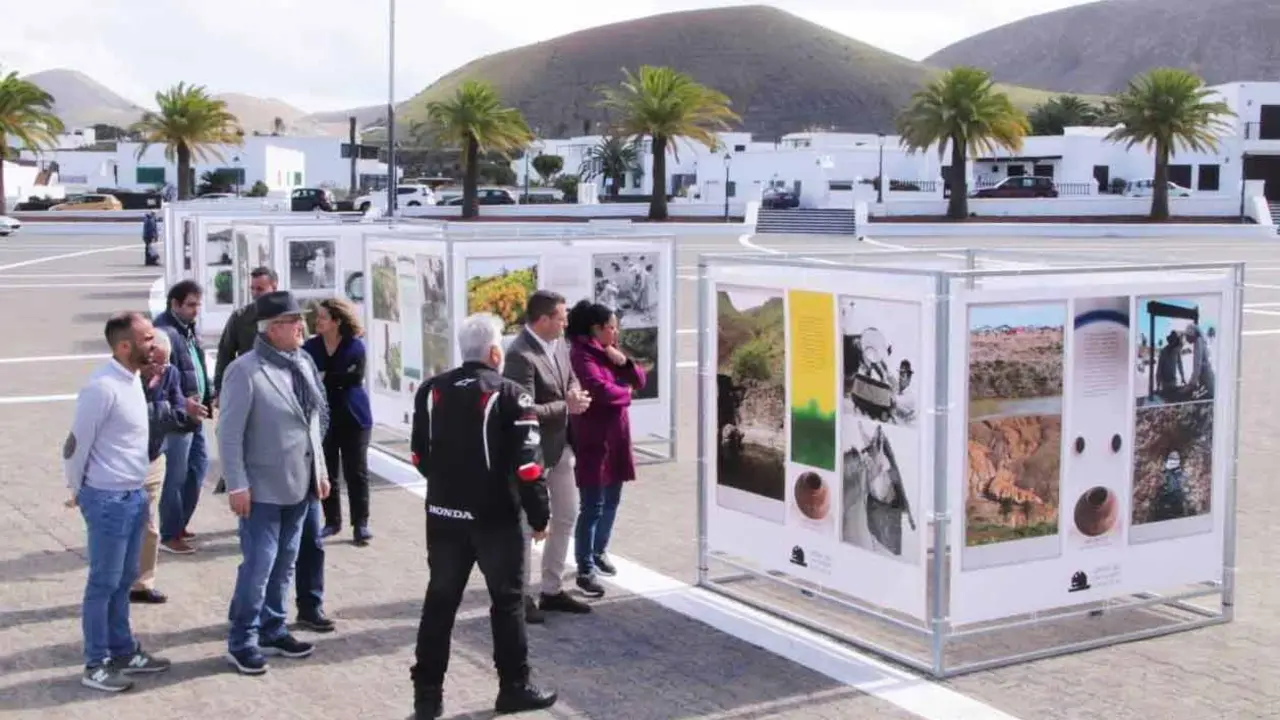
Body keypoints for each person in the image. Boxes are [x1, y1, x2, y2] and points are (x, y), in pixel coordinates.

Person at [409, 313, 558, 719]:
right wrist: (540, 514)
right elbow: (530, 467)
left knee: (439, 604)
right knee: (507, 604)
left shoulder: (430, 389)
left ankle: (426, 699)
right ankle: (513, 687)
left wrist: (451, 487)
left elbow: (419, 457)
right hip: (495, 520)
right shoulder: (512, 395)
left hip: (442, 516)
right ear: (495, 353)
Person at [218, 291, 332, 676]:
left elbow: (314, 419)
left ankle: (273, 627)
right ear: (272, 329)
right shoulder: (245, 371)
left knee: (285, 563)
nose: (302, 326)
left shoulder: (302, 362)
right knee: (259, 565)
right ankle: (242, 640)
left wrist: (321, 472)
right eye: (293, 321)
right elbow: (229, 434)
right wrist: (236, 485)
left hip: (300, 483)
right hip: (261, 488)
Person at [63, 312, 171, 692]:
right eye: (146, 339)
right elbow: (76, 444)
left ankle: (123, 650)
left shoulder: (132, 380)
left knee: (124, 580)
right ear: (124, 346)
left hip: (133, 495)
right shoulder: (102, 387)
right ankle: (96, 663)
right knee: (103, 583)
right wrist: (76, 490)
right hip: (107, 499)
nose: (154, 345)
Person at [502, 290, 592, 622]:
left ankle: (552, 590)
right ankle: (521, 596)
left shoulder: (560, 346)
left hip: (561, 448)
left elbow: (571, 379)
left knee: (567, 514)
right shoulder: (520, 355)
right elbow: (521, 409)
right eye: (561, 318)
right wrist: (565, 406)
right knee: (527, 526)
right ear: (543, 320)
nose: (566, 323)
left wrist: (577, 394)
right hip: (531, 453)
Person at [564, 300, 646, 596]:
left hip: (617, 439)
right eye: (611, 327)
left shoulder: (607, 352)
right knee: (592, 506)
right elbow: (599, 391)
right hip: (594, 440)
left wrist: (623, 362)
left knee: (611, 500)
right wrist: (625, 392)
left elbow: (639, 379)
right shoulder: (580, 355)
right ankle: (584, 567)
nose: (615, 332)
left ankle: (599, 551)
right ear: (595, 329)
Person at [303, 298, 374, 545]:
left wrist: (325, 377)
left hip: (355, 417)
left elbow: (353, 377)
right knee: (327, 470)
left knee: (357, 471)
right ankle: (332, 521)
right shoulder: (310, 347)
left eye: (322, 316)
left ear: (337, 320)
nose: (317, 320)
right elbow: (308, 378)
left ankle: (361, 524)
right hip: (323, 417)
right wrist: (332, 378)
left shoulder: (355, 346)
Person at [153, 280, 212, 554]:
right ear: (174, 304)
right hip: (178, 419)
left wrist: (208, 396)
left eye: (198, 304)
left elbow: (196, 368)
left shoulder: (186, 329)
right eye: (191, 305)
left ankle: (179, 524)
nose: (196, 310)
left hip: (195, 416)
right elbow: (158, 381)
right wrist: (181, 404)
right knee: (176, 477)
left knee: (197, 470)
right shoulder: (164, 333)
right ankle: (169, 533)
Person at [130, 331, 188, 604]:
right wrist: (159, 403)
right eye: (155, 363)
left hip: (154, 457)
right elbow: (132, 415)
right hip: (125, 460)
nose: (160, 369)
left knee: (150, 525)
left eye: (165, 363)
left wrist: (161, 408)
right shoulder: (127, 378)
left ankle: (143, 583)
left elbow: (179, 415)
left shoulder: (171, 373)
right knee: (122, 524)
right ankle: (118, 581)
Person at [213, 266, 278, 495]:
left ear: (274, 287)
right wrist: (220, 390)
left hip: (278, 391)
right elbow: (224, 354)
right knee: (238, 434)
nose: (255, 293)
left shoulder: (287, 317)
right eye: (253, 289)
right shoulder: (241, 318)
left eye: (261, 288)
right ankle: (235, 479)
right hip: (248, 389)